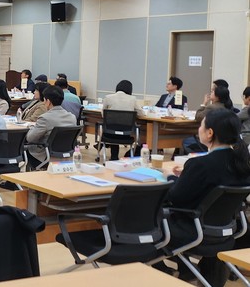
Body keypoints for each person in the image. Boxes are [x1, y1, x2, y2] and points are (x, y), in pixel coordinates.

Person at [162, 109, 250, 286]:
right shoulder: (242, 163)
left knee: (150, 218)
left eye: (201, 126)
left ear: (210, 133)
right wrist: (187, 176)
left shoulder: (200, 165)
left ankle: (168, 270)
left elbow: (175, 198)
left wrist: (170, 178)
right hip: (229, 230)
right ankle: (186, 270)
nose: (198, 129)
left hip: (194, 231)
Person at [25, 86, 77, 170]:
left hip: (45, 156)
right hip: (66, 156)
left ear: (48, 101)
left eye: (44, 100)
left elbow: (30, 138)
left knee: (20, 150)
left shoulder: (45, 118)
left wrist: (31, 128)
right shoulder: (72, 117)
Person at [183, 86, 235, 154]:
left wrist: (204, 103)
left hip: (210, 138)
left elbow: (198, 117)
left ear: (217, 97)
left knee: (185, 141)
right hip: (220, 138)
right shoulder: (226, 107)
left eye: (212, 92)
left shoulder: (212, 107)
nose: (210, 93)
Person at [101, 80, 144, 160]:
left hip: (110, 132)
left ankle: (114, 156)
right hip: (126, 133)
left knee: (113, 128)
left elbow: (103, 114)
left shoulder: (108, 97)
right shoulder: (133, 99)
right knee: (118, 128)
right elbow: (141, 113)